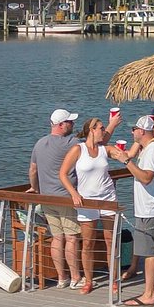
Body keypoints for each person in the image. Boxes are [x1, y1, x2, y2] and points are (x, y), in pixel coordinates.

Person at [107, 115, 154, 307]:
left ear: (142, 131)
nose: (132, 132)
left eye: (134, 129)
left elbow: (146, 177)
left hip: (150, 209)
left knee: (150, 252)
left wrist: (127, 162)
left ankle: (149, 293)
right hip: (150, 208)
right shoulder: (150, 149)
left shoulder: (152, 151)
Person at [58, 117, 118, 295]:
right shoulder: (78, 149)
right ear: (92, 130)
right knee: (88, 243)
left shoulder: (104, 149)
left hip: (108, 197)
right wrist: (74, 193)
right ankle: (89, 280)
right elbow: (62, 174)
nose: (103, 131)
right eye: (101, 128)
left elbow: (126, 155)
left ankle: (113, 279)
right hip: (86, 201)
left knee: (110, 241)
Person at [28, 108, 81, 288]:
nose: (73, 124)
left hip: (47, 198)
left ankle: (61, 278)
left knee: (57, 238)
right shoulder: (71, 143)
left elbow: (33, 170)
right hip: (65, 197)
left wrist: (35, 189)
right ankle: (75, 278)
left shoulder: (39, 143)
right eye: (70, 122)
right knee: (71, 238)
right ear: (60, 125)